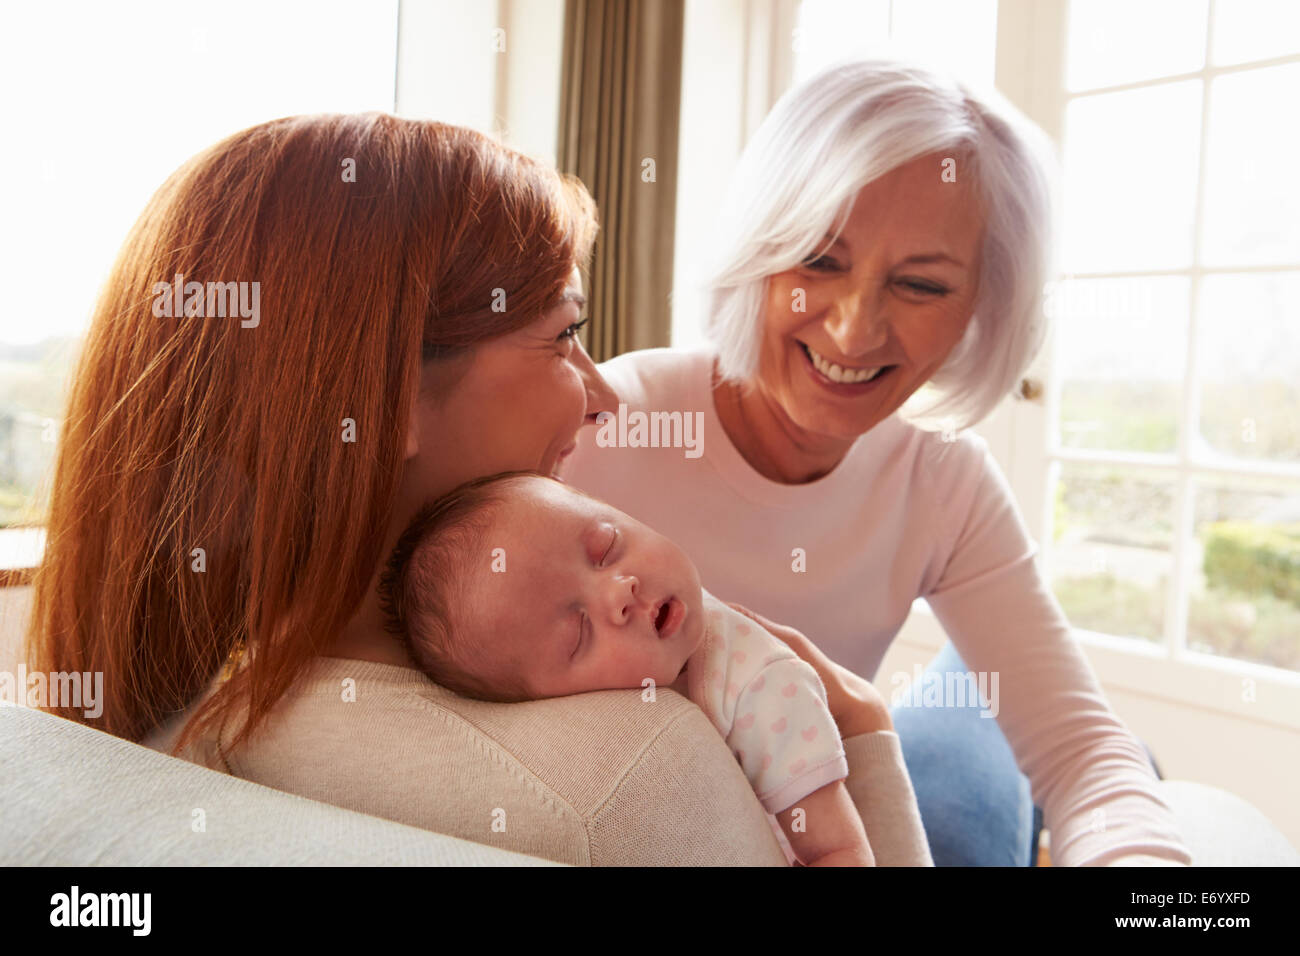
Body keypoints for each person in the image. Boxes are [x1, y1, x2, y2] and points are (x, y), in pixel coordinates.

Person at [27, 111, 931, 866]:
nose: (605, 396)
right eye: (561, 337)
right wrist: (868, 743)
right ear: (382, 407)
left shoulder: (161, 719)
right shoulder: (632, 777)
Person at [559, 58, 1194, 866]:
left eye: (922, 286)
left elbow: (1085, 758)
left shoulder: (944, 481)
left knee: (1033, 744)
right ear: (761, 247)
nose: (855, 333)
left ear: (981, 308)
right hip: (798, 796)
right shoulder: (602, 426)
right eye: (819, 262)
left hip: (853, 762)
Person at [375, 468, 886, 866]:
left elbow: (840, 850)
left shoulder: (760, 683)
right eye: (578, 631)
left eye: (606, 548)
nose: (621, 591)